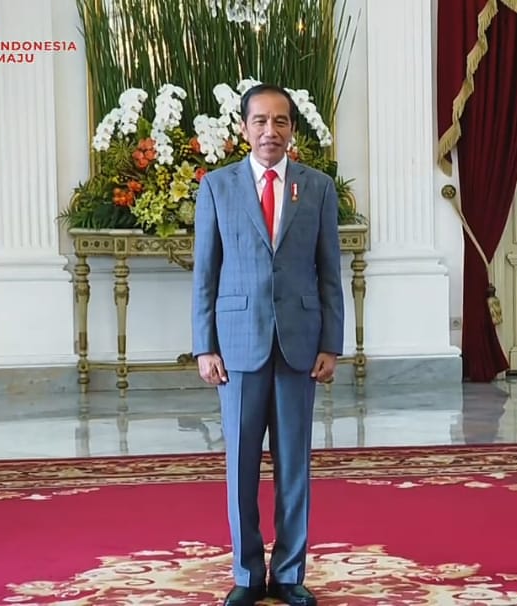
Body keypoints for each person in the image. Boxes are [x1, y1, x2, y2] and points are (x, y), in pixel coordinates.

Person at [191, 82, 345, 606]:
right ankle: (246, 574)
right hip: (238, 344)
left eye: (280, 121)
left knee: (294, 463)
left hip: (300, 343)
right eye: (260, 120)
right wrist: (204, 346)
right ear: (243, 128)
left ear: (292, 130)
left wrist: (331, 342)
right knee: (240, 464)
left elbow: (329, 272)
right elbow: (205, 274)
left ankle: (289, 572)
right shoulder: (217, 187)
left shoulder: (317, 187)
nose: (269, 131)